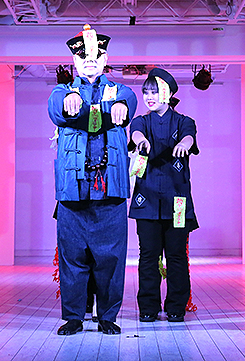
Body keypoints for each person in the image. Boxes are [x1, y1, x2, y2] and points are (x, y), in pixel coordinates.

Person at [48, 24, 137, 335]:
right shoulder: (62, 91)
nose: (89, 61)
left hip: (110, 191)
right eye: (83, 57)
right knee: (72, 257)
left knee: (111, 259)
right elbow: (57, 109)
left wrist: (118, 107)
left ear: (105, 59)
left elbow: (127, 104)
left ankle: (107, 316)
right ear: (74, 61)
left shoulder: (120, 91)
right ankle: (74, 317)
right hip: (73, 192)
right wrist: (69, 102)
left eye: (96, 57)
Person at [128, 67, 198, 323]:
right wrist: (140, 142)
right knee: (148, 256)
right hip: (146, 200)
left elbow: (189, 138)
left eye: (155, 92)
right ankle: (148, 307)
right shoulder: (141, 121)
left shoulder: (184, 121)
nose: (149, 97)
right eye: (146, 92)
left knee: (177, 256)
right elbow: (135, 133)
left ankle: (176, 307)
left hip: (177, 201)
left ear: (168, 94)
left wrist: (184, 144)